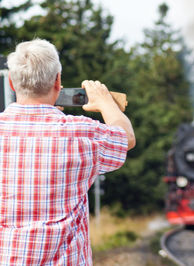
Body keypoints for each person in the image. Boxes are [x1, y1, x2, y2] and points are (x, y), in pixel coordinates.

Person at [2, 39, 135, 265]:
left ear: (12, 84)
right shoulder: (81, 133)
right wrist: (105, 102)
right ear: (58, 81)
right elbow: (126, 138)